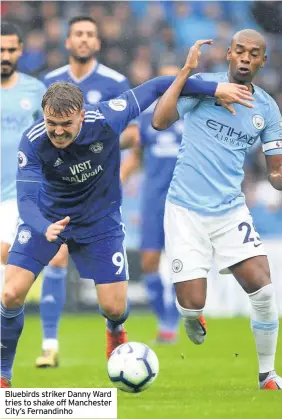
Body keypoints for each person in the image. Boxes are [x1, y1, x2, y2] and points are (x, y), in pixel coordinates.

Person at [0, 40, 255, 388]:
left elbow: (156, 87)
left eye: (65, 124)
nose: (57, 131)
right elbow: (26, 200)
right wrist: (44, 227)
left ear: (80, 115)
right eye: (51, 123)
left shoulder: (106, 118)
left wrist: (214, 87)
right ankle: (3, 375)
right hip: (47, 219)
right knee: (11, 293)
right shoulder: (33, 141)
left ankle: (115, 328)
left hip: (100, 221)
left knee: (115, 307)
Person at [152, 30, 282, 389]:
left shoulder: (268, 110)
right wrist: (185, 73)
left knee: (265, 291)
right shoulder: (203, 85)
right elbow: (159, 121)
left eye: (253, 53)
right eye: (239, 50)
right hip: (185, 210)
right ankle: (192, 317)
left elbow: (275, 175)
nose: (245, 57)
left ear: (262, 61)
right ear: (228, 54)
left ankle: (266, 374)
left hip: (230, 211)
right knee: (191, 307)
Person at [36, 16, 139, 368]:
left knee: (113, 300)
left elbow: (133, 136)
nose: (83, 40)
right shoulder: (48, 82)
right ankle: (49, 344)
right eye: (77, 34)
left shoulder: (115, 82)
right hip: (57, 192)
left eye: (89, 34)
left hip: (98, 196)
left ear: (98, 42)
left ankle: (114, 325)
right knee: (56, 256)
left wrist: (102, 152)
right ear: (67, 41)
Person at [121, 64, 183, 344]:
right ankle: (164, 317)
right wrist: (114, 181)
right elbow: (135, 156)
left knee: (184, 263)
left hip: (184, 201)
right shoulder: (147, 119)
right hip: (152, 199)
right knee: (148, 262)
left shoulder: (194, 115)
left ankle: (174, 319)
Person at [1, 22, 46, 284]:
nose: (4, 56)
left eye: (10, 49)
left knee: (3, 251)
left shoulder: (34, 90)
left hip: (15, 192)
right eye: (0, 50)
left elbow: (49, 139)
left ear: (20, 51)